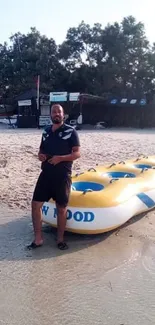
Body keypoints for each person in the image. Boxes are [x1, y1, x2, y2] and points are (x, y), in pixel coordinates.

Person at [27, 104, 81, 250]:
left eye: (59, 112)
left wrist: (60, 158)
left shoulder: (71, 131)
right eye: (54, 112)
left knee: (61, 208)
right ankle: (38, 239)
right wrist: (41, 156)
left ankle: (60, 240)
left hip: (62, 176)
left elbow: (77, 153)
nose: (56, 114)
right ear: (51, 115)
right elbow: (41, 150)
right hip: (46, 174)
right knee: (35, 205)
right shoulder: (45, 131)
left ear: (63, 115)